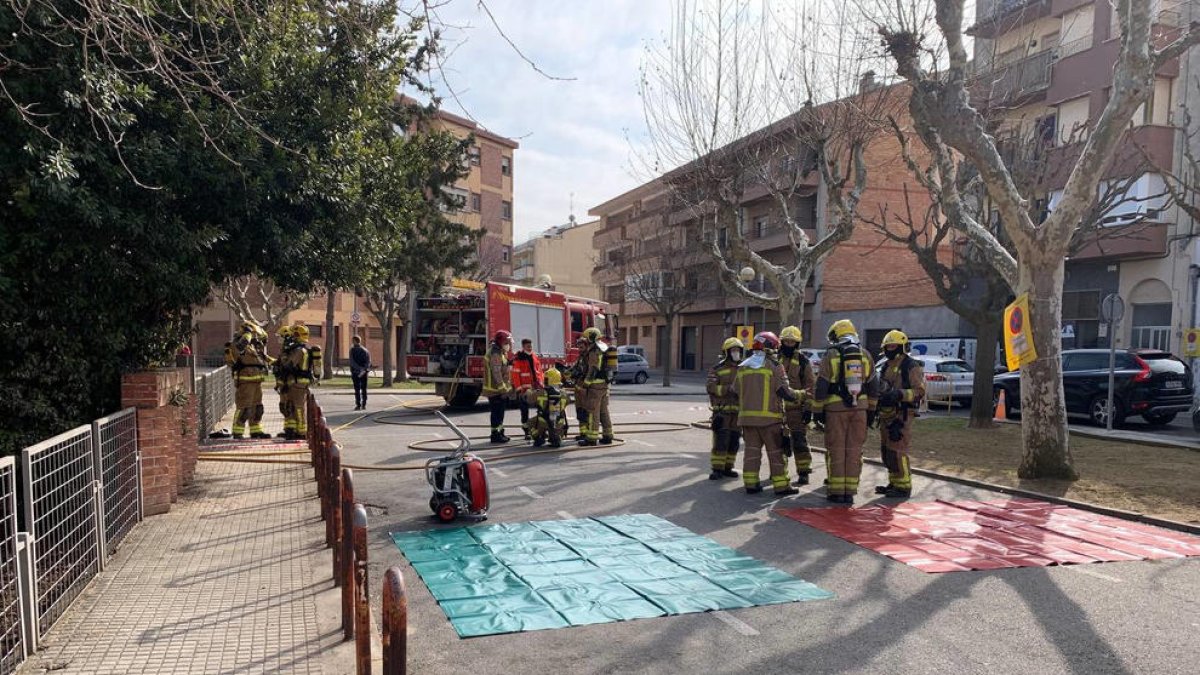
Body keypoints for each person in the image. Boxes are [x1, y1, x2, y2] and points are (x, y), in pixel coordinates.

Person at [811, 319, 878, 505]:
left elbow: (822, 386)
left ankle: (837, 491)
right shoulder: (865, 355)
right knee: (855, 450)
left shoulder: (831, 354)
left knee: (836, 449)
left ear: (836, 336)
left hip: (836, 410)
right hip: (860, 411)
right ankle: (850, 491)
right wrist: (871, 411)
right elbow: (874, 386)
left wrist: (817, 411)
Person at [732, 331, 803, 496]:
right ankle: (782, 486)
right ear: (771, 347)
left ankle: (751, 484)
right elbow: (785, 392)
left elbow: (735, 391)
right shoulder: (775, 365)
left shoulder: (743, 366)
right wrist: (802, 395)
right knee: (776, 453)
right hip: (770, 420)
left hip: (747, 420)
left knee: (751, 452)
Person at [875, 330, 924, 498]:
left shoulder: (910, 365)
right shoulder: (886, 365)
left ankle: (903, 486)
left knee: (897, 450)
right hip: (886, 414)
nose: (890, 349)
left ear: (902, 347)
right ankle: (894, 482)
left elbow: (919, 391)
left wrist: (900, 394)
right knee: (887, 450)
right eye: (887, 346)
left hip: (903, 413)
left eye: (893, 346)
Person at [778, 326, 816, 485]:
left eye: (792, 342)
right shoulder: (773, 359)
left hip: (796, 410)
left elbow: (810, 386)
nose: (788, 344)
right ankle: (780, 473)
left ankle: (803, 471)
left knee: (800, 442)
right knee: (779, 445)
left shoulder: (803, 361)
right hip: (777, 411)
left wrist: (808, 409)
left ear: (797, 343)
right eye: (786, 341)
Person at [705, 337, 744, 480]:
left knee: (734, 442)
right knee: (721, 442)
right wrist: (729, 389)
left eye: (738, 350)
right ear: (726, 352)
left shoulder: (744, 368)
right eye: (733, 350)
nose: (736, 353)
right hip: (722, 413)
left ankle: (728, 467)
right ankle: (717, 469)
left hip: (738, 413)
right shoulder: (717, 369)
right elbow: (710, 387)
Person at [230, 321, 271, 439]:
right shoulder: (236, 344)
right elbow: (239, 350)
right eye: (253, 334)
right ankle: (238, 431)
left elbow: (262, 358)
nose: (255, 337)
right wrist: (247, 334)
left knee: (257, 408)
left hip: (256, 382)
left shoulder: (252, 346)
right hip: (245, 382)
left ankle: (256, 430)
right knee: (244, 408)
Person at [576, 327, 614, 446]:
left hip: (595, 386)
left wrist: (586, 384)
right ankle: (608, 435)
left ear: (591, 338)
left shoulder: (594, 350)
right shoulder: (604, 347)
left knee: (593, 412)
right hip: (604, 384)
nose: (585, 341)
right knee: (604, 411)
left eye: (586, 338)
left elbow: (593, 369)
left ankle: (591, 438)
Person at [284, 323, 321, 440]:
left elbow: (289, 365)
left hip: (297, 383)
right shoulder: (304, 349)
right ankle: (294, 431)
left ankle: (301, 432)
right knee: (293, 407)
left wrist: (284, 356)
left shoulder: (299, 351)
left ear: (296, 335)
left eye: (293, 335)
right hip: (299, 383)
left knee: (298, 407)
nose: (291, 337)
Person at [482, 330, 514, 443]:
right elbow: (496, 372)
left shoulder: (500, 352)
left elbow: (503, 369)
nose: (508, 344)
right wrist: (502, 387)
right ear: (501, 342)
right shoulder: (495, 354)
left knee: (500, 412)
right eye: (507, 342)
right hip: (494, 389)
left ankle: (500, 433)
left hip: (498, 389)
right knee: (496, 413)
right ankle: (495, 435)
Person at [526, 367, 570, 447]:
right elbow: (568, 402)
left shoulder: (541, 392)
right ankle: (557, 437)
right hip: (558, 422)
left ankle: (538, 437)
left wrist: (529, 390)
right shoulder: (564, 393)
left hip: (543, 421)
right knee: (559, 424)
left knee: (529, 423)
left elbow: (529, 399)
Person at [511, 338, 542, 439]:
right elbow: (515, 375)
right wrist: (519, 389)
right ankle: (526, 431)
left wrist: (541, 385)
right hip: (523, 390)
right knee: (524, 412)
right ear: (523, 346)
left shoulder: (535, 357)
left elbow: (539, 372)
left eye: (531, 345)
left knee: (541, 409)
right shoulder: (519, 359)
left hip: (535, 388)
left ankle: (539, 429)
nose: (530, 347)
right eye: (528, 346)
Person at [273, 325, 296, 438]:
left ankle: (294, 430)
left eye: (281, 336)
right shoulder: (285, 348)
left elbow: (288, 366)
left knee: (290, 406)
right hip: (284, 382)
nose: (279, 339)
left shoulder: (290, 349)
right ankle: (288, 428)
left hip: (290, 382)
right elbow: (280, 363)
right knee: (284, 406)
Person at [349, 335, 371, 411]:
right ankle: (364, 404)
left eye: (353, 340)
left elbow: (352, 362)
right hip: (364, 372)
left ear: (355, 341)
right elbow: (368, 362)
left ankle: (358, 405)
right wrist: (364, 369)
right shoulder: (365, 350)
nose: (352, 342)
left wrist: (358, 368)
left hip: (355, 372)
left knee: (357, 389)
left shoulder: (352, 350)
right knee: (364, 388)